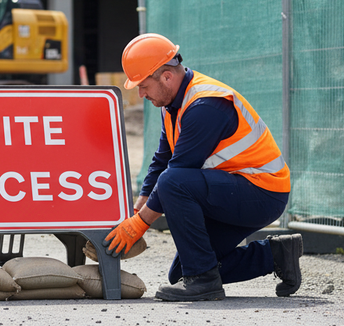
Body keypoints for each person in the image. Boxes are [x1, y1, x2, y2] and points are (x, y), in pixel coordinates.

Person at [105, 33, 303, 302]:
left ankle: (205, 283)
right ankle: (276, 255)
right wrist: (136, 210)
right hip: (232, 190)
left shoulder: (205, 105)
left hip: (262, 193)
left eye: (143, 85)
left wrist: (138, 225)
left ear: (166, 77)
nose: (140, 94)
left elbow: (175, 175)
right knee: (182, 271)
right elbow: (161, 160)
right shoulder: (173, 103)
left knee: (173, 183)